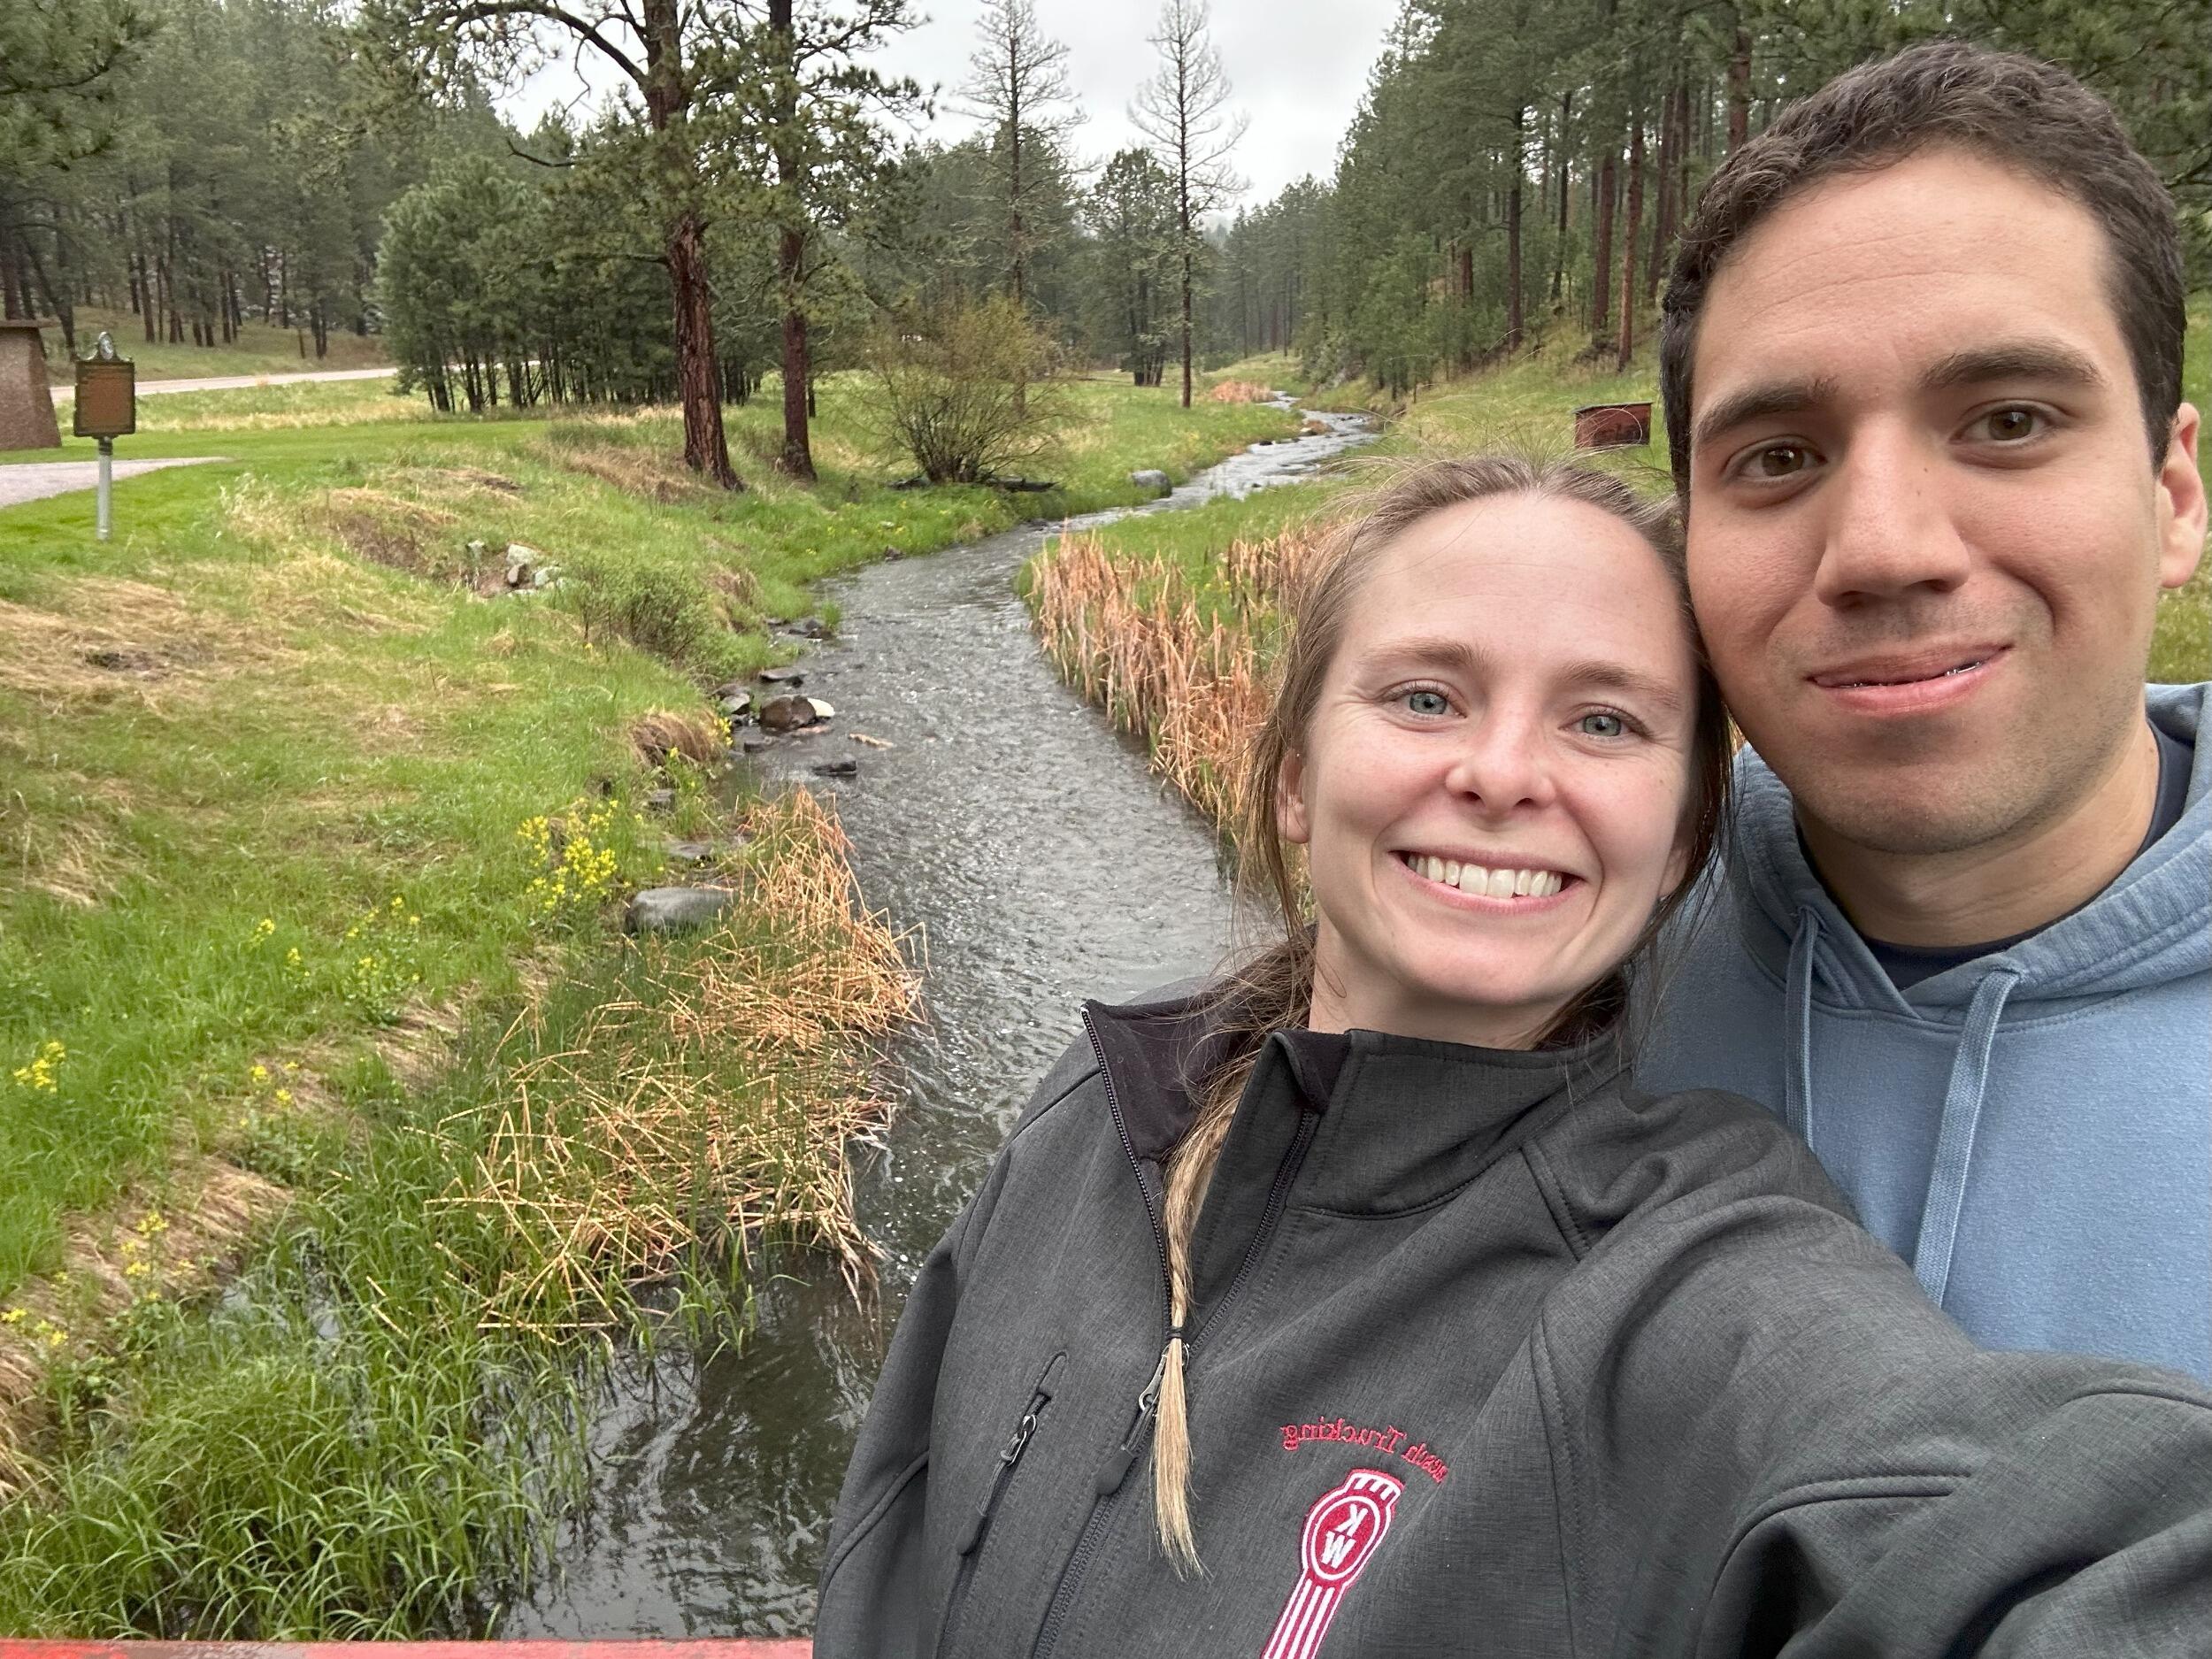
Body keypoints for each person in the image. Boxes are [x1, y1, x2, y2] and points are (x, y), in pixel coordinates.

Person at [814, 456, 2212, 1659]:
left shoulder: (1685, 1277)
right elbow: (889, 1539)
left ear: (1677, 846)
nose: (1499, 773)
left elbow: (2005, 1536)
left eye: (1603, 721)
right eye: (1426, 696)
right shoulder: (1112, 1101)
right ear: (1298, 779)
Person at [1641, 41, 2209, 1380]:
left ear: (2173, 496)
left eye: (2009, 421)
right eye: (1779, 459)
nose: (1885, 549)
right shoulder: (1572, 960)